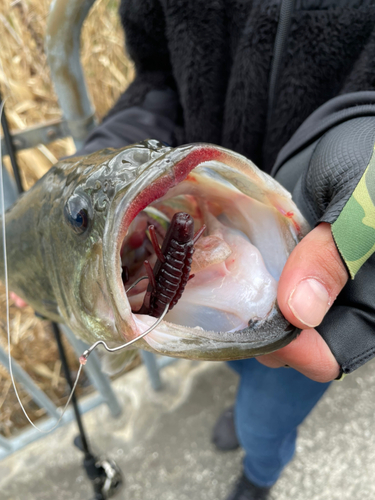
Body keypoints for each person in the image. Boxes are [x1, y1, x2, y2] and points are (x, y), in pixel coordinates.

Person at [76, 1, 375, 498]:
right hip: (208, 274)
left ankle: (260, 471)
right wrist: (101, 173)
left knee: (266, 414)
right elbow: (159, 78)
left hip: (308, 308)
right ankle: (243, 406)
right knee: (237, 364)